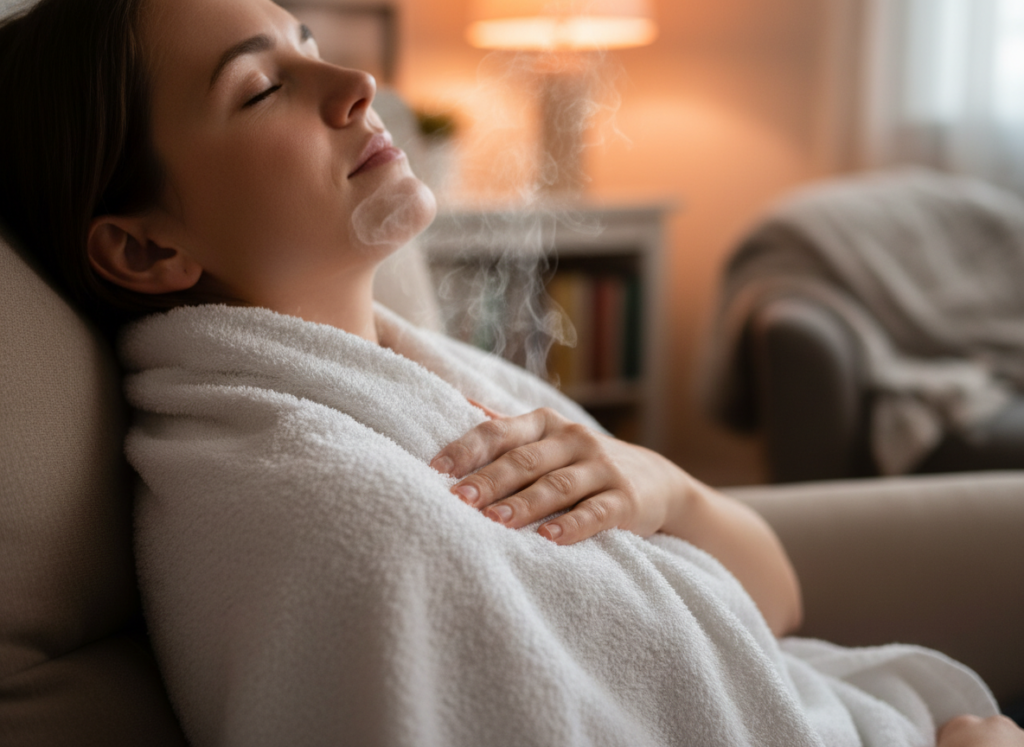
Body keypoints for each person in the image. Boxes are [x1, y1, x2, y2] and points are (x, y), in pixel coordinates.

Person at [0, 0, 1020, 745]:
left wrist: (657, 484)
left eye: (306, 40)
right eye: (262, 86)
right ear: (142, 250)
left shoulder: (431, 372)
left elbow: (776, 602)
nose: (353, 84)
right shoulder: (319, 516)